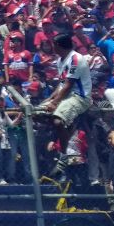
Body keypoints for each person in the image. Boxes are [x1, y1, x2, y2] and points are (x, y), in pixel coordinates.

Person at [41, 33, 93, 173]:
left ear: (58, 45)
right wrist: (50, 99)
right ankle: (69, 128)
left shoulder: (76, 58)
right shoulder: (60, 61)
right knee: (37, 113)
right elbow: (61, 85)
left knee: (57, 121)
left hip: (79, 97)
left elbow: (69, 85)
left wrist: (54, 103)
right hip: (66, 96)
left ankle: (63, 155)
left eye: (53, 44)